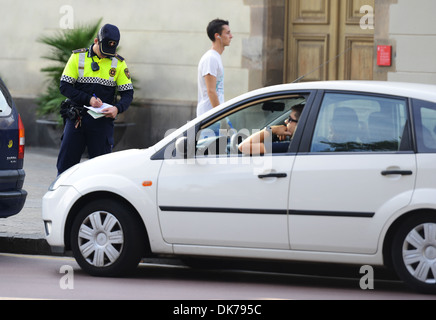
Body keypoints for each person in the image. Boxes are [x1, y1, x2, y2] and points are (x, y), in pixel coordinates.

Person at [57, 24, 134, 175]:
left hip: (101, 123)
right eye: (104, 49)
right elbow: (64, 86)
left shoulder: (118, 63)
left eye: (111, 50)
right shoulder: (77, 57)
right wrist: (88, 100)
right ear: (96, 41)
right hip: (77, 120)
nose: (107, 55)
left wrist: (117, 108)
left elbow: (128, 94)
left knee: (101, 170)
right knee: (65, 167)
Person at [197, 19, 233, 117]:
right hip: (210, 119)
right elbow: (211, 91)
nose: (231, 36)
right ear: (217, 36)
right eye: (228, 33)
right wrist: (221, 118)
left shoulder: (215, 57)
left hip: (214, 117)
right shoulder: (211, 58)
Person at [239, 103, 304, 155]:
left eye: (290, 119)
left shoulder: (289, 146)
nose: (285, 121)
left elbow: (243, 147)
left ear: (300, 124)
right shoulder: (303, 145)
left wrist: (271, 129)